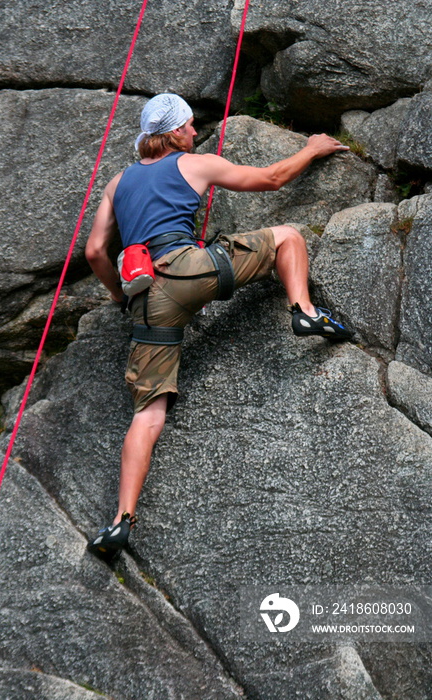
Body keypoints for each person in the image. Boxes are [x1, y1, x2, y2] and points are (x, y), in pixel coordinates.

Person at [85, 93, 352, 560]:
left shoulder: (117, 182)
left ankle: (120, 520)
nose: (194, 131)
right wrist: (311, 149)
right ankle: (303, 310)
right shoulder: (194, 163)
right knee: (288, 236)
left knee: (148, 413)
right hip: (190, 268)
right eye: (188, 125)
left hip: (146, 297)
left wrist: (117, 297)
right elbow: (270, 179)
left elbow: (94, 253)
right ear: (175, 132)